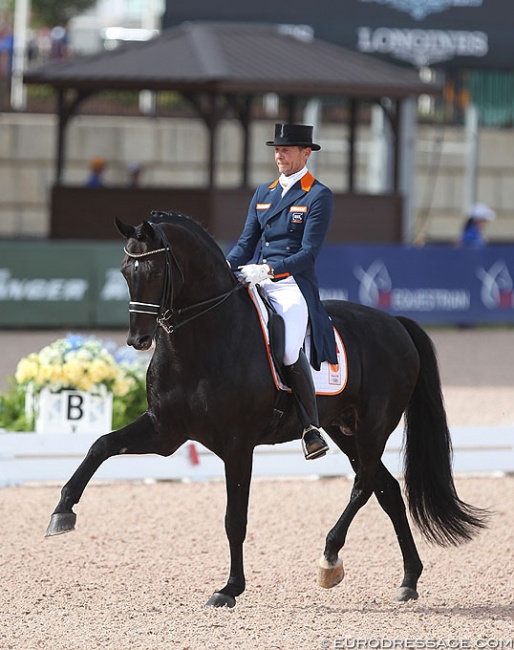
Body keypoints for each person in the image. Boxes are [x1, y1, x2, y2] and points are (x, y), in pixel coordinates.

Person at [226, 123, 337, 461]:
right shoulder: (264, 193)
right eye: (276, 149)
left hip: (291, 284)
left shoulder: (317, 194)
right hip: (255, 277)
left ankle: (310, 427)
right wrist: (223, 270)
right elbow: (246, 243)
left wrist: (272, 269)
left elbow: (309, 253)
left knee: (288, 348)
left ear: (306, 153)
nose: (279, 154)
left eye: (287, 150)